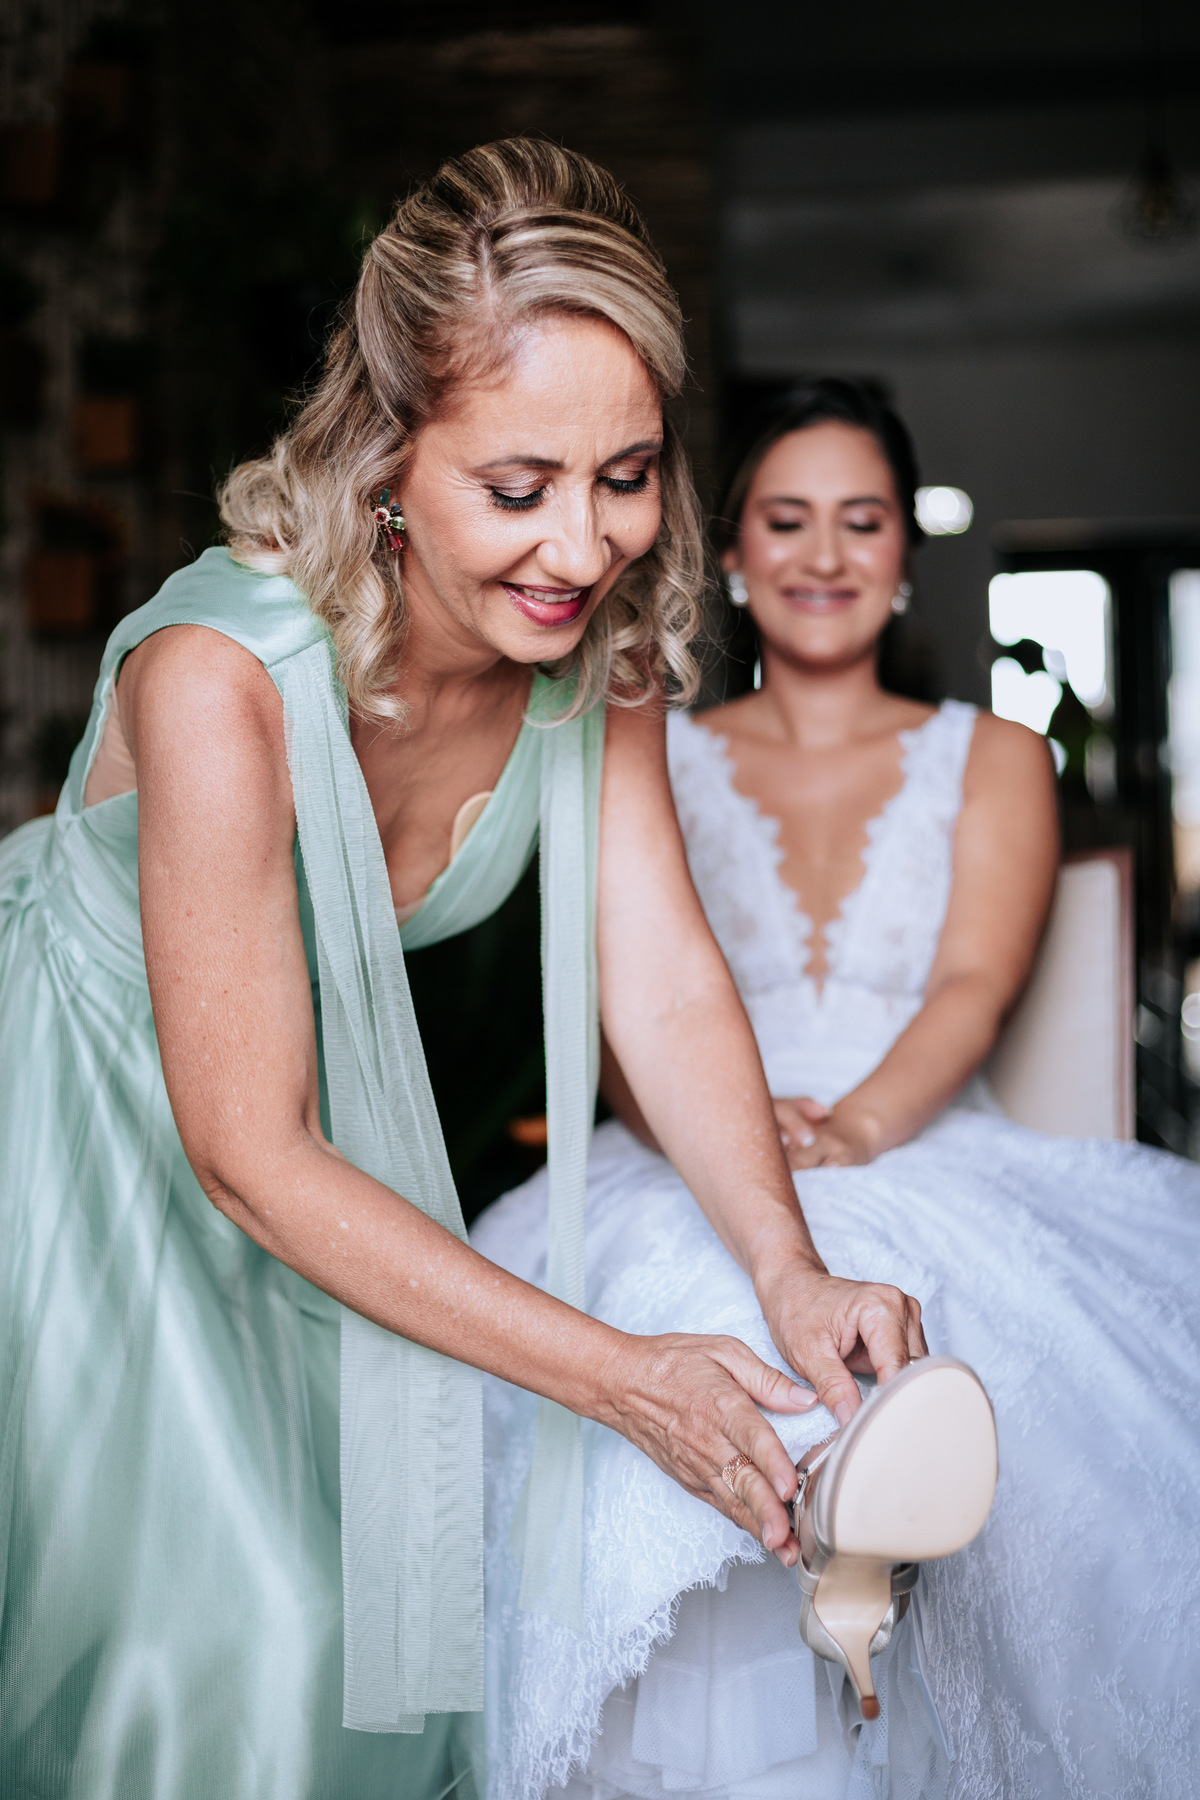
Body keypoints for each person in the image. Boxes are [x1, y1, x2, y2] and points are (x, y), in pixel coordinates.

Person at [0, 150, 939, 1800]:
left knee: (400, 1635)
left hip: (312, 1169)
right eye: (518, 489)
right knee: (247, 1654)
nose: (582, 545)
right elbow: (244, 1149)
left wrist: (789, 1272)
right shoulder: (219, 679)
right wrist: (627, 1378)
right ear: (386, 461)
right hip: (86, 1157)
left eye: (626, 477)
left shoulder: (595, 655)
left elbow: (662, 980)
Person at [473, 377, 1200, 1800]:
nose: (823, 554)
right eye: (786, 519)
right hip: (683, 1144)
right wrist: (734, 1137)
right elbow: (628, 998)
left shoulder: (995, 755)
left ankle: (876, 1631)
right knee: (674, 1285)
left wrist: (854, 1128)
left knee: (919, 1301)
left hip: (910, 1130)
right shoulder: (645, 745)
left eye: (861, 522)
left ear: (904, 552)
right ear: (733, 550)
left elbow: (972, 988)